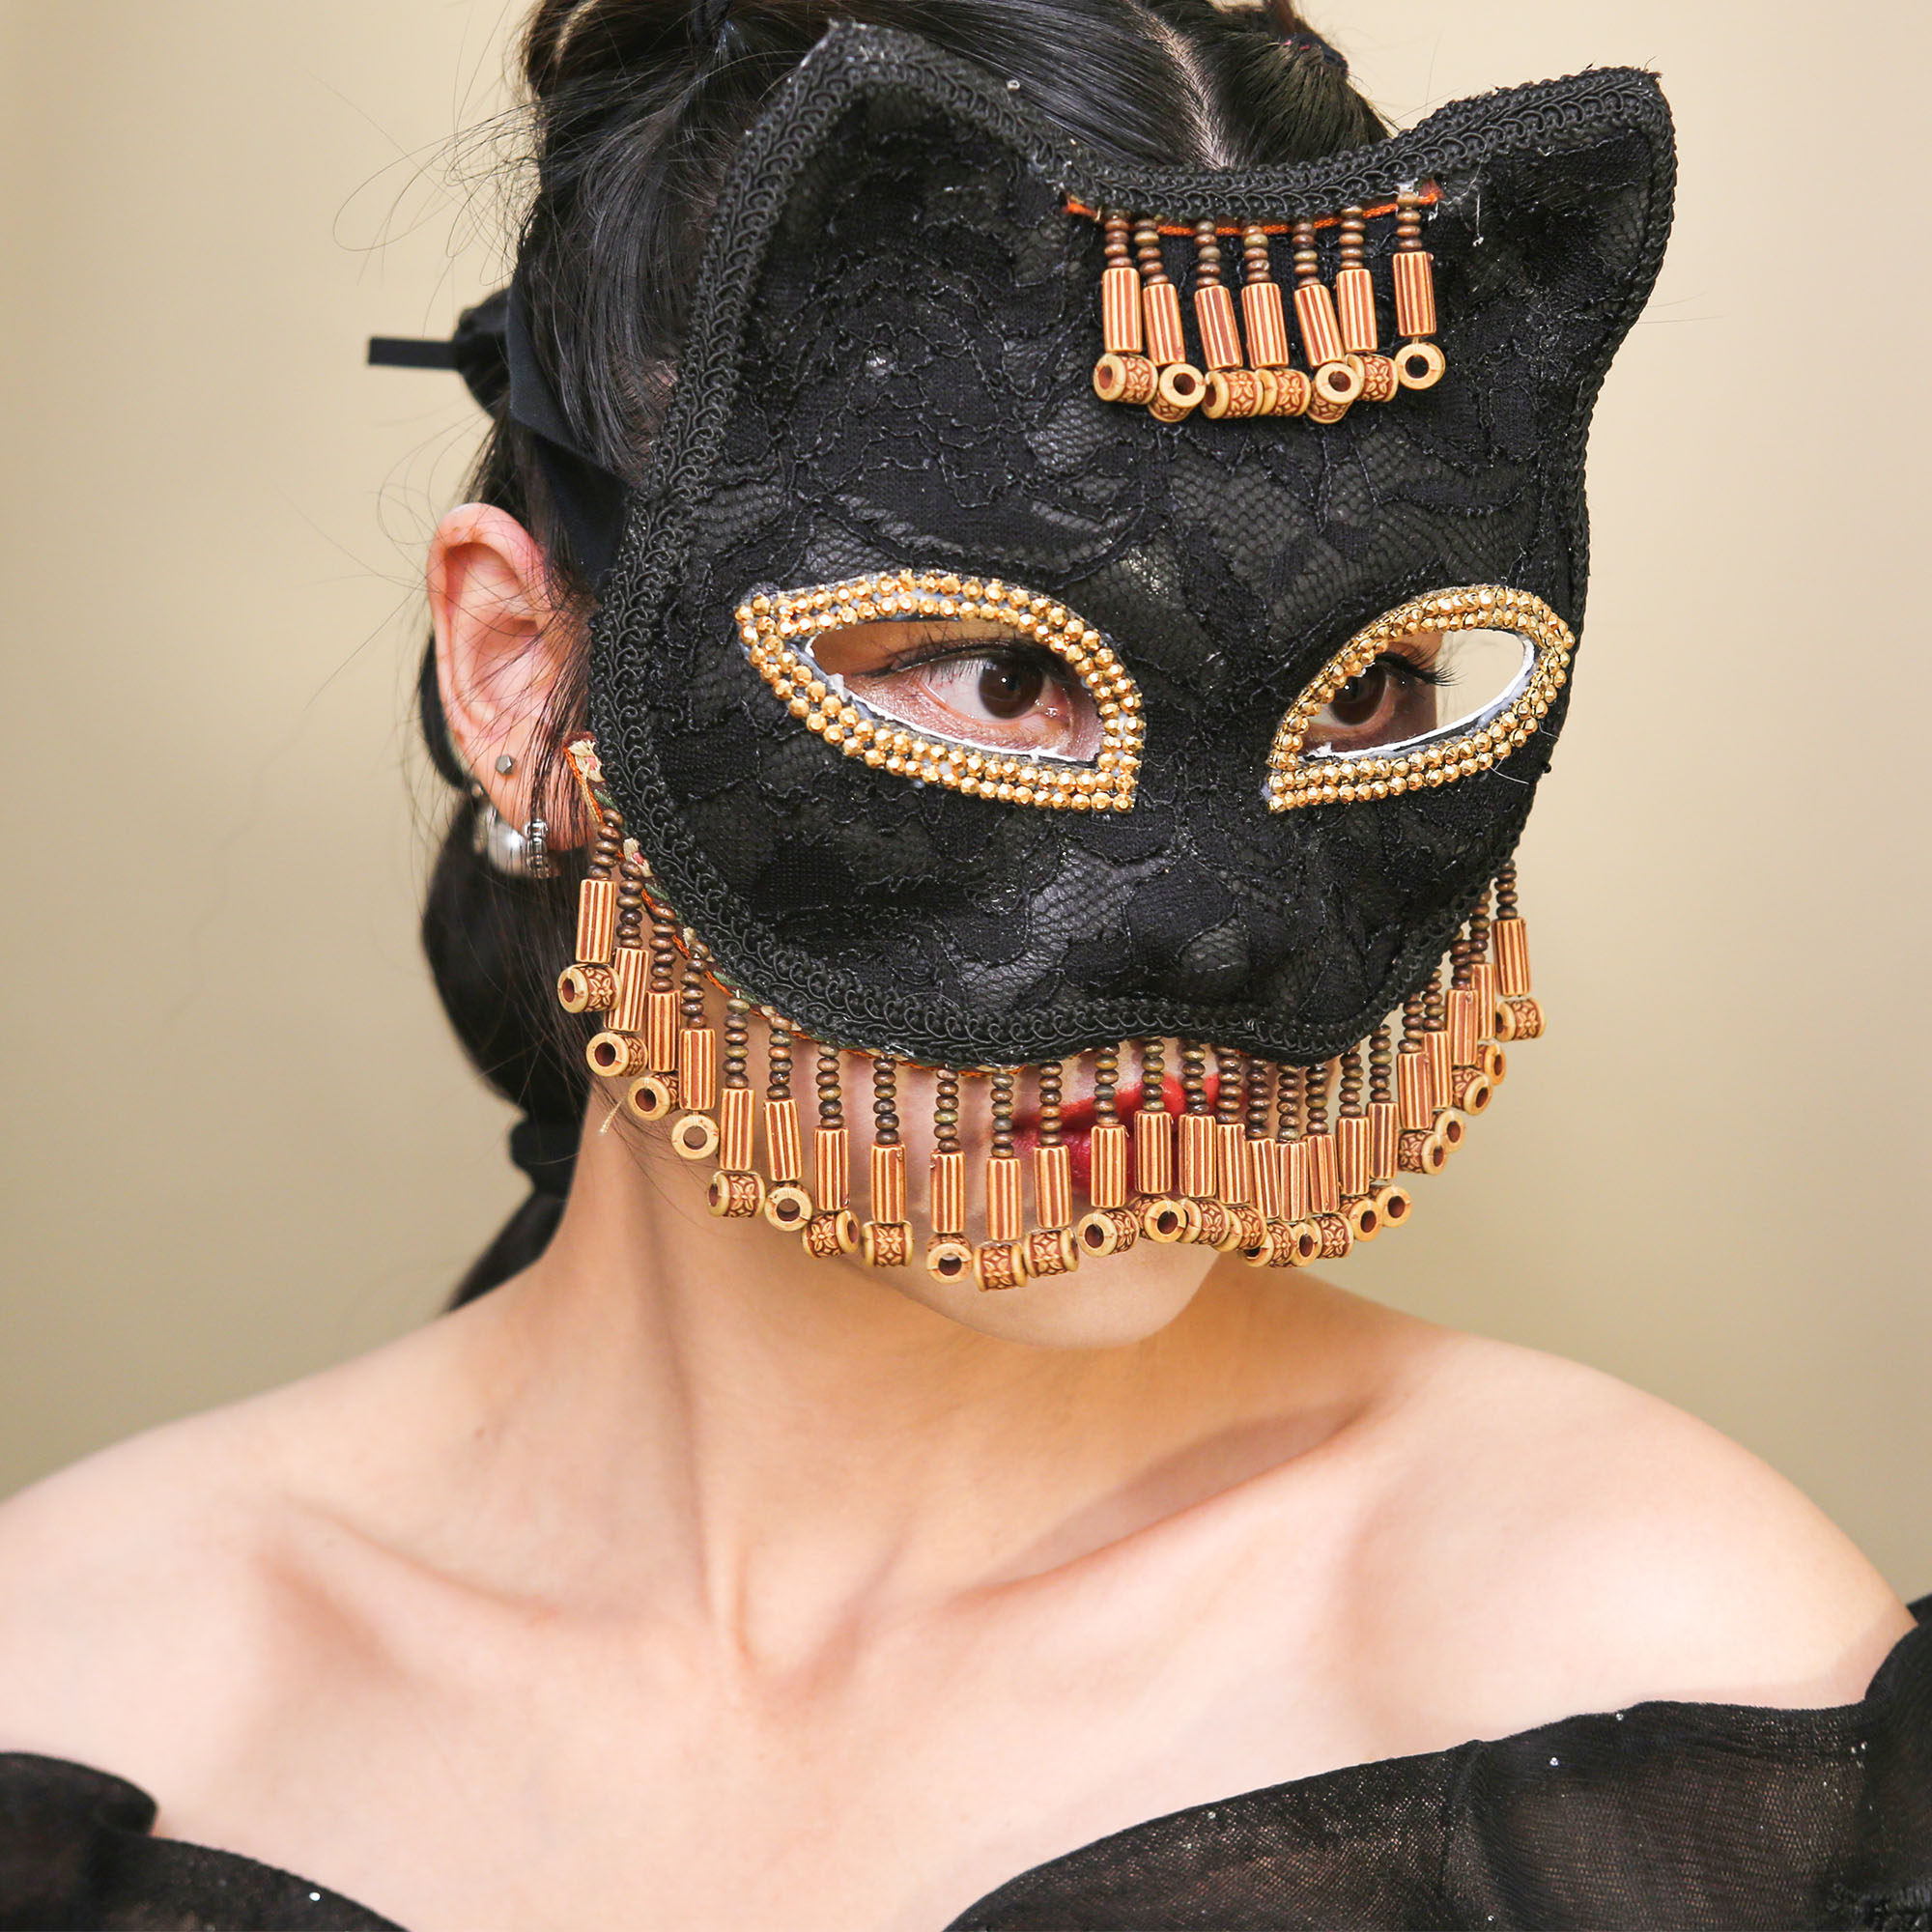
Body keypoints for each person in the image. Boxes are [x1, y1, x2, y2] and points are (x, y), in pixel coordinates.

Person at [1, 2, 1925, 1927]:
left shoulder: (1663, 1678)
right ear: (517, 675)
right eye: (1001, 679)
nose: (1219, 930)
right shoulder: (79, 1683)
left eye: (1368, 694)